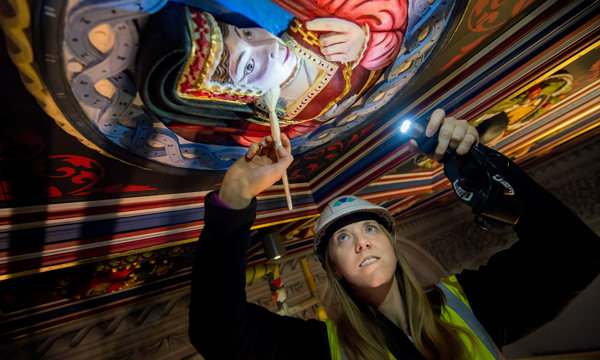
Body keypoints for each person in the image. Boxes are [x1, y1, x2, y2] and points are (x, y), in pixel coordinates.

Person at [189, 109, 600, 359]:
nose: (362, 240)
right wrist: (236, 195)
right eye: (342, 239)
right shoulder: (322, 350)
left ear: (392, 243)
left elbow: (575, 253)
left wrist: (484, 174)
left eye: (369, 228)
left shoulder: (473, 306)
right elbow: (218, 334)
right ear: (334, 269)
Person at [137, 1, 408, 146]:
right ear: (233, 96)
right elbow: (303, 129)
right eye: (248, 66)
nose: (265, 44)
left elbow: (388, 9)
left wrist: (368, 41)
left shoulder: (312, 22)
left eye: (244, 33)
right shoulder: (264, 121)